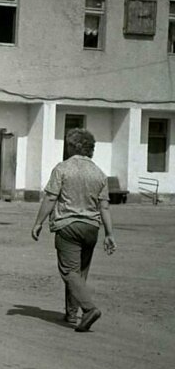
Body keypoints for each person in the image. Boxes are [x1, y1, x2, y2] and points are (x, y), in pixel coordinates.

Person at [31, 128, 117, 333]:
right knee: (80, 273)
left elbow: (51, 197)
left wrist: (38, 222)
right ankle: (71, 313)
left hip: (67, 226)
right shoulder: (99, 173)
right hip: (91, 227)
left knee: (69, 271)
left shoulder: (62, 169)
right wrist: (109, 234)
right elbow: (104, 207)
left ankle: (89, 309)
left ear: (72, 146)